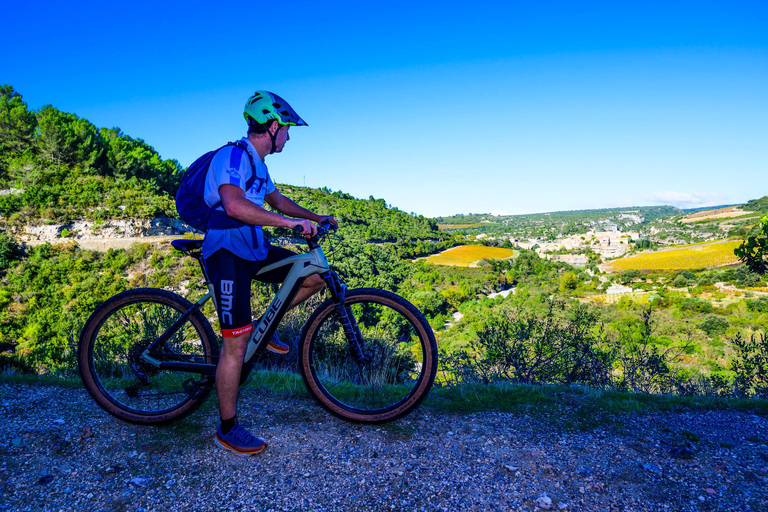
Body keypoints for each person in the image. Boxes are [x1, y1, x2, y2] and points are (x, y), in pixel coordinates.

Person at [203, 90, 336, 456]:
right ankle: (227, 429)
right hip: (228, 250)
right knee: (235, 346)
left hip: (254, 247)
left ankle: (265, 327)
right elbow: (232, 204)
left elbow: (276, 201)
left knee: (313, 275)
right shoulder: (232, 155)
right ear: (273, 126)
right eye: (288, 129)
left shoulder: (259, 165)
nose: (290, 137)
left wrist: (313, 217)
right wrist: (288, 223)